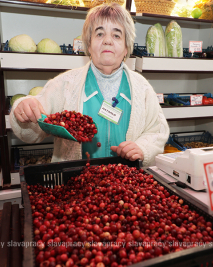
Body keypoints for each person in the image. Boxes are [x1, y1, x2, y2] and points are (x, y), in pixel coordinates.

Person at [10, 3, 169, 166]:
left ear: (127, 47)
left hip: (125, 185)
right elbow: (31, 132)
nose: (107, 40)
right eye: (100, 34)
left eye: (116, 35)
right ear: (89, 44)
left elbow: (157, 131)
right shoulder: (65, 84)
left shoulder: (142, 88)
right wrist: (24, 109)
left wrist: (142, 148)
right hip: (76, 184)